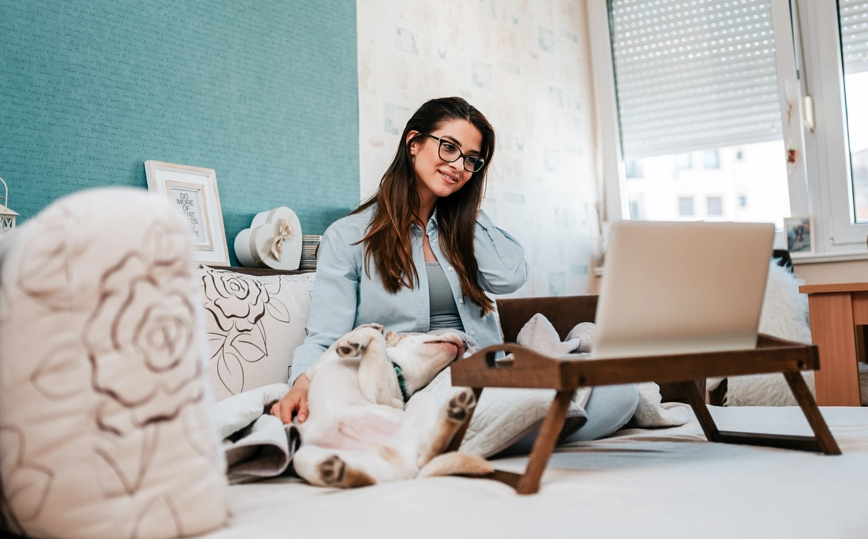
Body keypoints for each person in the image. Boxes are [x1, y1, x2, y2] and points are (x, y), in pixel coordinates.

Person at [272, 96, 637, 445]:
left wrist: (469, 208)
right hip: (418, 383)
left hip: (488, 374)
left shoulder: (466, 229)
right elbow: (325, 336)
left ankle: (469, 436)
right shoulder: (348, 237)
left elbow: (510, 277)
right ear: (413, 142)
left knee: (621, 389)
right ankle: (501, 429)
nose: (459, 166)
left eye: (471, 160)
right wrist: (302, 385)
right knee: (471, 402)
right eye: (449, 147)